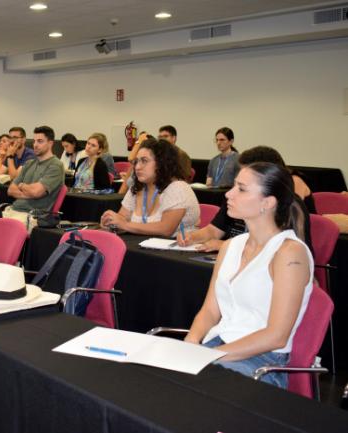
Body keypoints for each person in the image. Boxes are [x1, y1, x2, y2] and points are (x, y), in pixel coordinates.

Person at [185, 162, 313, 389]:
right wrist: (191, 343)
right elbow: (210, 311)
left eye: (241, 189)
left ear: (267, 203)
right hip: (219, 347)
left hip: (262, 362)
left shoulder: (289, 252)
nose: (229, 194)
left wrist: (209, 355)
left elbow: (276, 336)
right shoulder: (230, 247)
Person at [178, 146, 314, 252]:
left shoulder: (290, 207)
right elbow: (213, 231)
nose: (228, 194)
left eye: (242, 188)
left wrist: (226, 245)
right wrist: (192, 237)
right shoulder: (234, 200)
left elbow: (272, 250)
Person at [100, 138, 199, 237]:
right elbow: (122, 218)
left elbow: (166, 229)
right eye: (136, 161)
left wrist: (125, 224)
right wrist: (111, 222)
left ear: (161, 163)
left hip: (177, 249)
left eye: (144, 161)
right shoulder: (137, 187)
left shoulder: (178, 188)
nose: (137, 167)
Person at [4, 126, 65, 221]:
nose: (35, 145)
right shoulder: (29, 163)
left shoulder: (56, 166)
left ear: (50, 143)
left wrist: (21, 185)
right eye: (34, 141)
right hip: (13, 210)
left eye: (40, 141)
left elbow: (36, 192)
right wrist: (29, 192)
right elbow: (11, 190)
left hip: (32, 216)